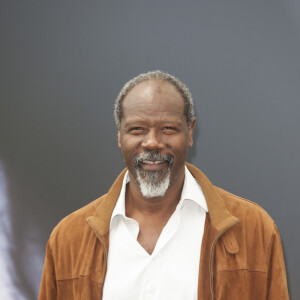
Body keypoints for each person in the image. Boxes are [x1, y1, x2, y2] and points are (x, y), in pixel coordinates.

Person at [39, 71, 289, 300]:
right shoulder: (67, 239)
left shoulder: (254, 230)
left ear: (190, 132)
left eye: (168, 129)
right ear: (119, 135)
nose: (152, 143)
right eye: (137, 129)